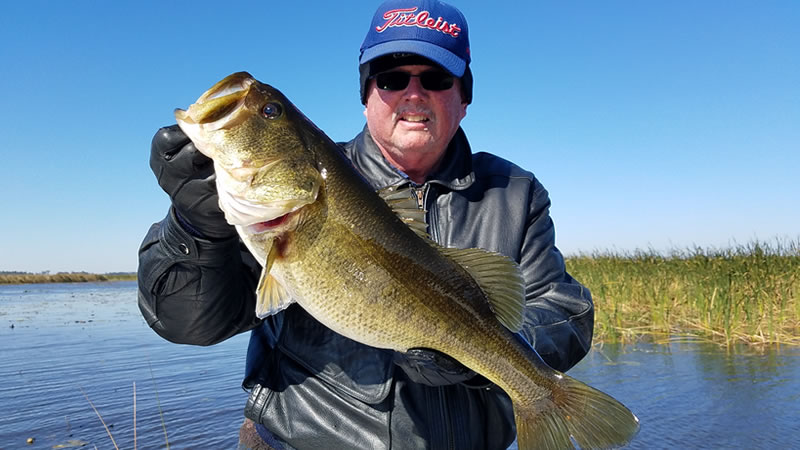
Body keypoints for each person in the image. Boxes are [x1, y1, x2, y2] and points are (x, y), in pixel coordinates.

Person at [138, 0, 594, 448]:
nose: (413, 94)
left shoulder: (514, 193)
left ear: (464, 97)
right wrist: (195, 231)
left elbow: (563, 309)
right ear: (366, 95)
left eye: (435, 78)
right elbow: (190, 325)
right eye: (392, 77)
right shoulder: (272, 209)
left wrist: (481, 357)